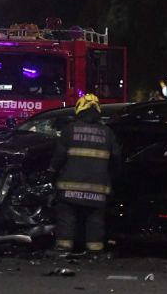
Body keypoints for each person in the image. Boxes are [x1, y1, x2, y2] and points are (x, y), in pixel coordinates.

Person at [48, 93, 121, 254]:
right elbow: (116, 158)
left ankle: (63, 248)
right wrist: (112, 178)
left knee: (66, 218)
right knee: (95, 220)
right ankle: (94, 250)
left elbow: (58, 157)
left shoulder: (70, 130)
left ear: (79, 110)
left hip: (69, 187)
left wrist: (52, 172)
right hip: (98, 189)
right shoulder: (107, 133)